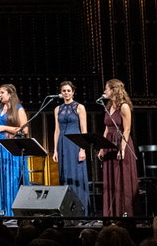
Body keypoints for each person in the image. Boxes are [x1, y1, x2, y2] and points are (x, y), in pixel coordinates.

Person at [99, 78, 138, 216]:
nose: (104, 91)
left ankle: (124, 213)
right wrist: (102, 147)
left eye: (106, 88)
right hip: (109, 142)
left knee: (121, 178)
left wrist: (122, 149)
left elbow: (127, 129)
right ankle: (111, 214)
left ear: (114, 90)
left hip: (121, 142)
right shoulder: (108, 106)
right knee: (110, 178)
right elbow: (106, 128)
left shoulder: (124, 106)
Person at [0, 83, 28, 216]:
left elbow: (25, 130)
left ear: (10, 94)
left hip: (12, 147)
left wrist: (5, 128)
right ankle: (2, 210)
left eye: (2, 93)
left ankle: (13, 211)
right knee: (0, 179)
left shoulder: (18, 109)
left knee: (12, 179)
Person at [53, 80, 89, 214]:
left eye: (69, 91)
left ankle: (80, 209)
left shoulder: (79, 107)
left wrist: (82, 148)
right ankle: (67, 209)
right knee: (64, 174)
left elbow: (84, 129)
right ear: (61, 92)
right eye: (64, 91)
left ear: (73, 92)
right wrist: (55, 149)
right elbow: (56, 130)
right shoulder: (57, 109)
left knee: (76, 174)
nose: (66, 93)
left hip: (75, 143)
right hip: (62, 143)